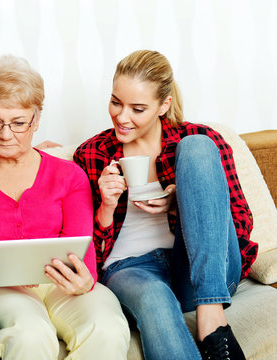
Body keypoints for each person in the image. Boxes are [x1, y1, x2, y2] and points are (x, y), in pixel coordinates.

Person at [0, 55, 130, 360]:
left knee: (108, 329)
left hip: (60, 284)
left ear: (36, 120)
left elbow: (83, 248)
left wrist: (86, 278)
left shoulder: (68, 175)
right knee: (30, 335)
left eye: (18, 123)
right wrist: (9, 270)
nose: (5, 134)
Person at [74, 50, 258, 360]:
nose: (122, 117)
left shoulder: (199, 137)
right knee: (155, 296)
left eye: (138, 108)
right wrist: (106, 206)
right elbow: (86, 255)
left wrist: (181, 202)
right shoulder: (93, 154)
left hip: (199, 269)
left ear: (164, 105)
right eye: (116, 102)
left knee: (198, 148)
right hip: (130, 268)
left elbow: (239, 223)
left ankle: (211, 316)